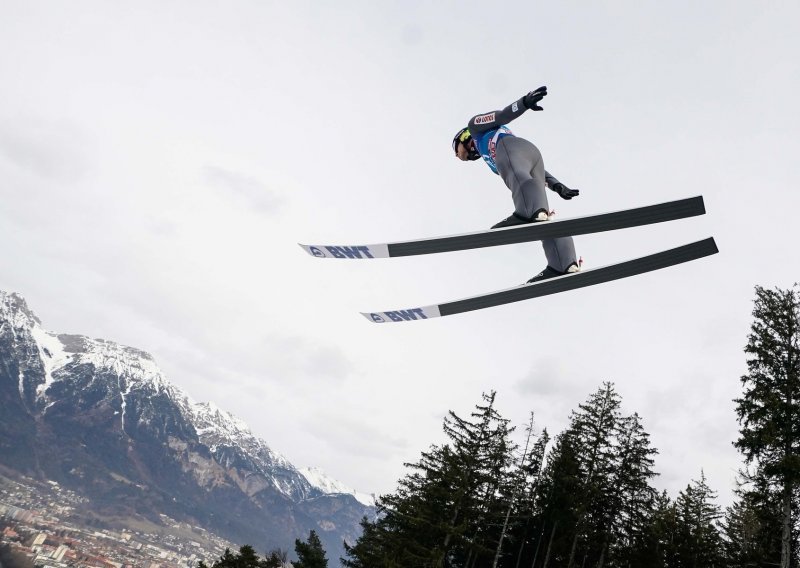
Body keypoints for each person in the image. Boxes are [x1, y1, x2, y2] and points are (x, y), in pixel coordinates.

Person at [453, 86, 581, 283]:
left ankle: (526, 211)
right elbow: (536, 172)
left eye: (457, 150)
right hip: (531, 156)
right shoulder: (489, 156)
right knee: (542, 216)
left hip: (510, 148)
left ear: (463, 138)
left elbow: (502, 115)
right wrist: (557, 186)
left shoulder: (475, 128)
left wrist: (524, 103)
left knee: (521, 184)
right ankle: (564, 263)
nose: (459, 156)